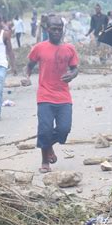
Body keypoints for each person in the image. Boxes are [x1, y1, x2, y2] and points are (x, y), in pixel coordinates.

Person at [22, 14, 79, 173]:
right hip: (45, 95)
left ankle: (48, 147)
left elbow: (75, 68)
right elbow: (29, 66)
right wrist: (26, 77)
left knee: (64, 130)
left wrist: (72, 75)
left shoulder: (69, 48)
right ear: (47, 29)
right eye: (53, 29)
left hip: (63, 97)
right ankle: (44, 160)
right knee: (45, 130)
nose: (56, 32)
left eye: (59, 29)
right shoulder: (39, 47)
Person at [0, 11, 16, 121]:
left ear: (0, 21)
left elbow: (10, 51)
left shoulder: (5, 34)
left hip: (1, 65)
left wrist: (13, 66)